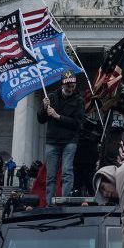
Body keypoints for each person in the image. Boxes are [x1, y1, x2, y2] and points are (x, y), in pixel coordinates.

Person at [37, 69, 85, 205]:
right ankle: (49, 203)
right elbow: (41, 119)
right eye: (67, 85)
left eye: (72, 85)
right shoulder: (51, 97)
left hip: (70, 141)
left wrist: (58, 117)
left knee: (67, 172)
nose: (70, 88)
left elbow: (78, 124)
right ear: (62, 84)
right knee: (51, 175)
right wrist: (43, 108)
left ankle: (65, 201)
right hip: (53, 140)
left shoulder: (79, 100)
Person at [99, 83, 124, 167]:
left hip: (116, 127)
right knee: (103, 158)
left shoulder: (122, 89)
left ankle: (113, 178)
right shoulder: (106, 89)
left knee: (110, 157)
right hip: (107, 127)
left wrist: (118, 105)